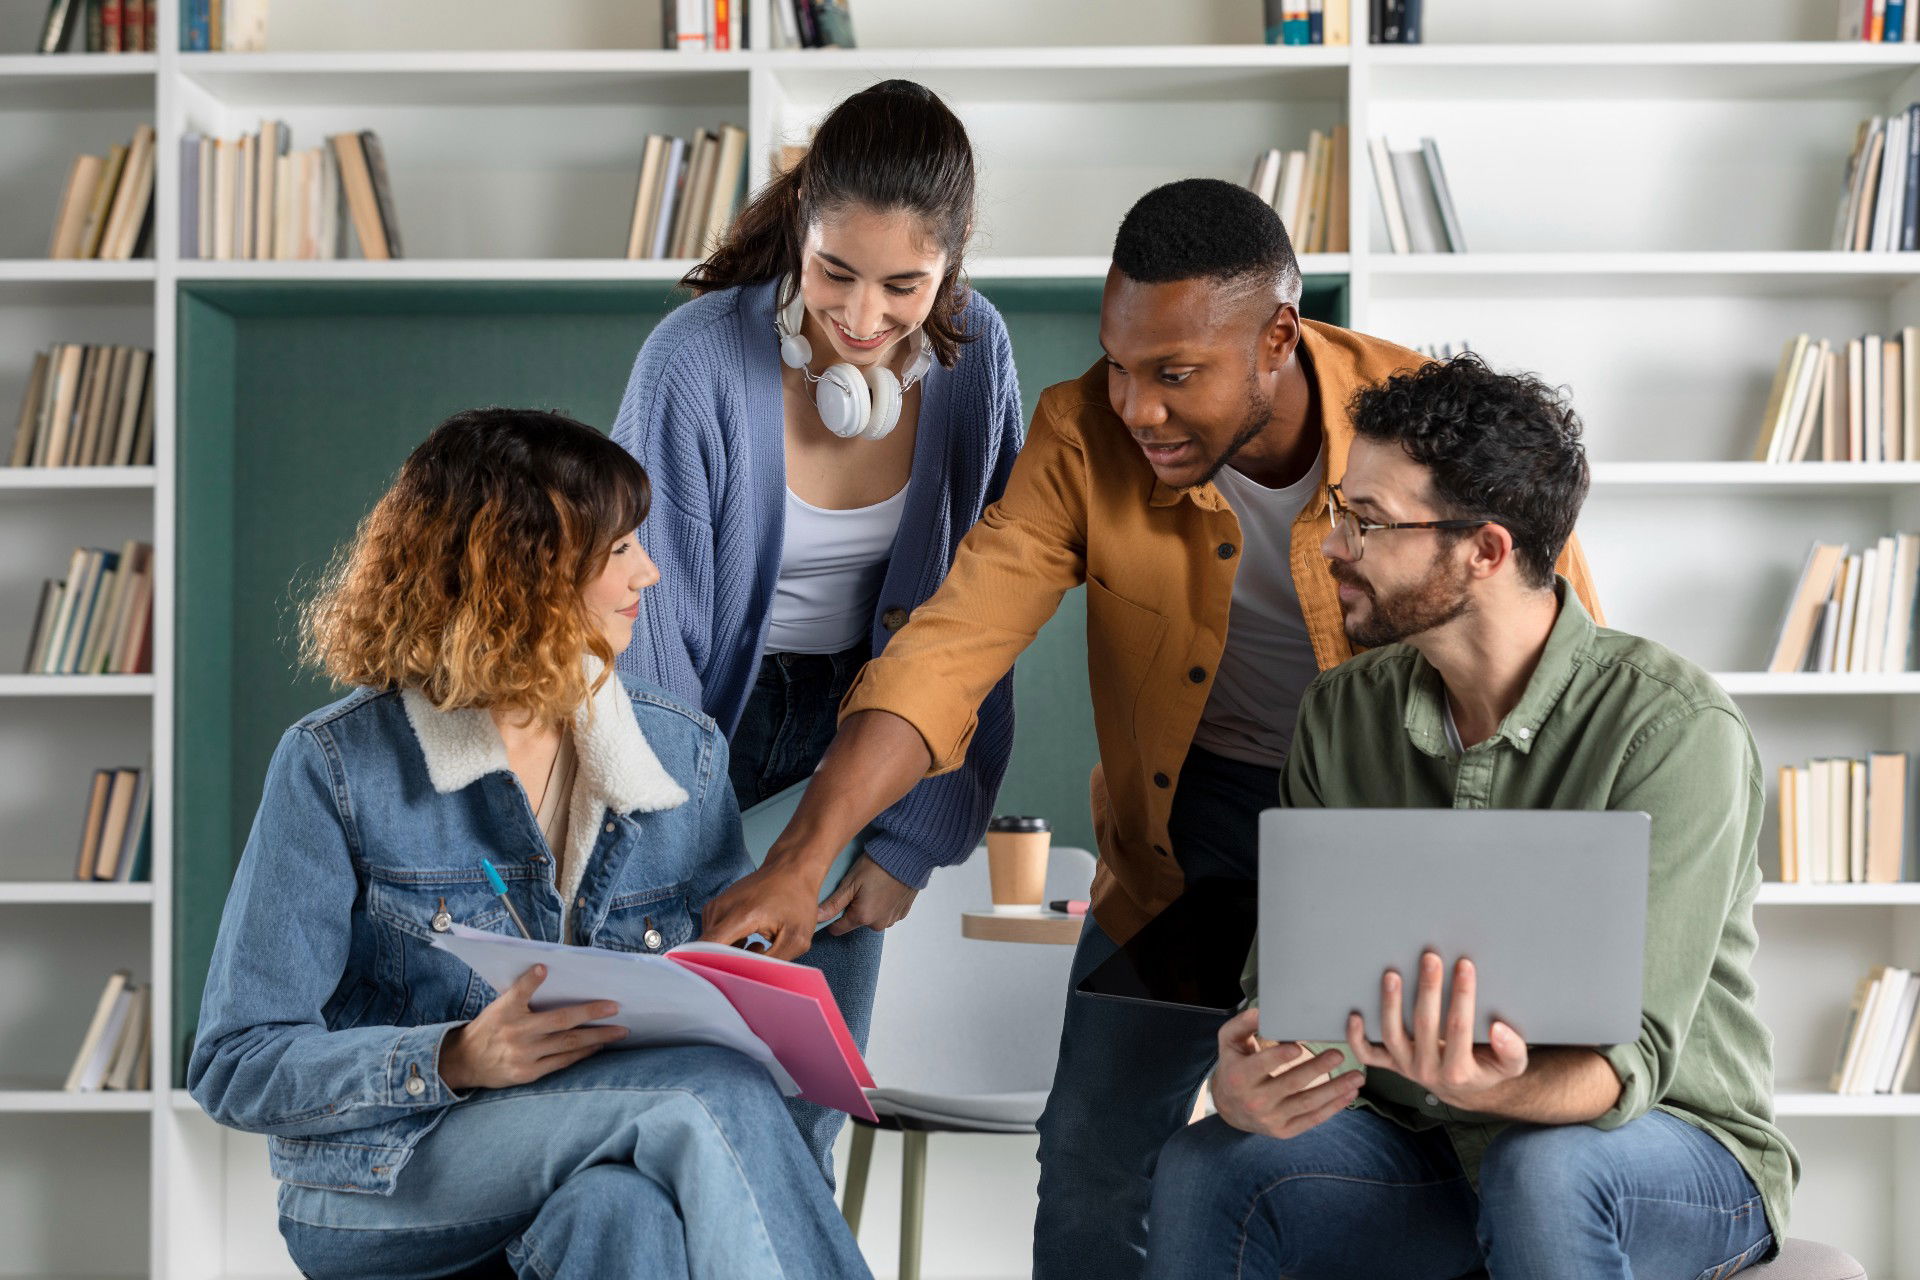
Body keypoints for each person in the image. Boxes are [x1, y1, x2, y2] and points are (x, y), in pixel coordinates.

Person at [699, 178, 1605, 1277]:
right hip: (1189, 844)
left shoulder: (1413, 425)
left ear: (1278, 334)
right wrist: (800, 856)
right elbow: (951, 648)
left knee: (1416, 1146)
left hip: (1404, 832)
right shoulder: (1085, 435)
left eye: (1176, 374)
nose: (1137, 407)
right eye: (1120, 364)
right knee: (1089, 1151)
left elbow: (1565, 665)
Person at [1147, 355, 1797, 1280]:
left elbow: (1630, 1062)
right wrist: (1255, 1078)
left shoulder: (1674, 728)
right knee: (1213, 1164)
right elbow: (1295, 994)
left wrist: (1492, 1084)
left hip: (1668, 1147)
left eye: (1367, 523)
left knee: (1546, 1169)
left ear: (1485, 551)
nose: (1333, 546)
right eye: (1341, 511)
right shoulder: (1342, 713)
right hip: (1429, 1146)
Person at [187, 409, 871, 1280]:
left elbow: (729, 1011)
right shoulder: (336, 764)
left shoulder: (680, 754)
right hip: (386, 1179)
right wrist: (455, 1057)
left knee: (621, 1216)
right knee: (701, 1094)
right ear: (523, 571)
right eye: (618, 550)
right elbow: (235, 1061)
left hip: (610, 1148)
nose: (648, 573)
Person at [611, 78, 1023, 1177]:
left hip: (869, 717)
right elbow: (649, 642)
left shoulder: (977, 362)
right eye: (834, 271)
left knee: (807, 1095)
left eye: (905, 286)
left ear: (952, 265)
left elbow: (979, 621)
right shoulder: (695, 362)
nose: (862, 318)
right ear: (801, 229)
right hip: (693, 708)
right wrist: (678, 866)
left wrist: (907, 842)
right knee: (663, 1068)